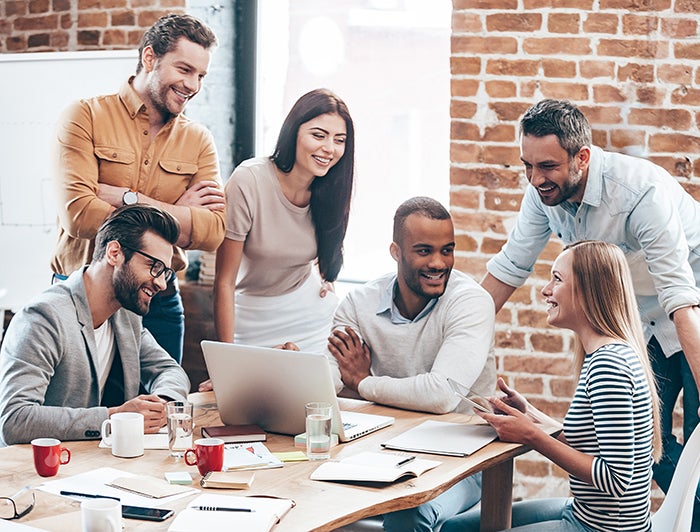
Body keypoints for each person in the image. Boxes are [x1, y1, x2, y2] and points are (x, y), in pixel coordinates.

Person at [480, 98, 700, 521]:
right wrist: (455, 337)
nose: (535, 178)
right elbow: (509, 267)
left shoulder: (640, 194)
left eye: (546, 167)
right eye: (527, 165)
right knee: (642, 444)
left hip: (691, 311)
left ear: (581, 157)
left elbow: (679, 296)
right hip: (641, 319)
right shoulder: (543, 192)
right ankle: (670, 519)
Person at [444, 240, 662, 532]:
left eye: (557, 279)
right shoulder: (610, 354)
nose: (546, 290)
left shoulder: (609, 365)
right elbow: (589, 444)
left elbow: (616, 480)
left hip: (602, 528)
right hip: (585, 514)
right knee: (456, 529)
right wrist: (530, 414)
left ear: (588, 291)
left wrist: (531, 435)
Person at [51, 13, 226, 364]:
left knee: (160, 406)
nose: (193, 85)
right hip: (82, 293)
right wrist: (178, 212)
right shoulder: (84, 117)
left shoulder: (198, 140)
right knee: (82, 411)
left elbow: (213, 232)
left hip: (157, 299)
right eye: (184, 69)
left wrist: (130, 199)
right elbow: (79, 215)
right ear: (150, 57)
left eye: (201, 75)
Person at [327, 196, 496, 532]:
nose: (439, 262)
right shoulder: (359, 303)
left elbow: (441, 395)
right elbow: (325, 381)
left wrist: (363, 384)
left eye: (447, 250)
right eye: (424, 250)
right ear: (396, 252)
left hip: (464, 459)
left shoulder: (471, 301)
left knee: (411, 512)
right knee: (313, 496)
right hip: (378, 450)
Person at [198, 88, 355, 391]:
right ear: (293, 132)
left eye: (340, 140)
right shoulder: (250, 180)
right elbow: (224, 283)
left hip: (309, 315)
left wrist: (326, 281)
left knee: (317, 396)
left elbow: (326, 253)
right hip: (252, 316)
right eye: (318, 135)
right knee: (253, 397)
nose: (329, 149)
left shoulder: (331, 188)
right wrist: (225, 364)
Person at [0, 205, 190, 446]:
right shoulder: (44, 317)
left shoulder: (126, 316)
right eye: (154, 267)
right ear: (114, 253)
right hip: (38, 473)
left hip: (90, 465)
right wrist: (113, 418)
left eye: (165, 272)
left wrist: (161, 404)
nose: (161, 284)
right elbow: (15, 420)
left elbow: (170, 370)